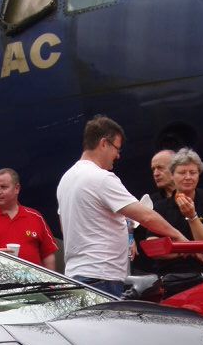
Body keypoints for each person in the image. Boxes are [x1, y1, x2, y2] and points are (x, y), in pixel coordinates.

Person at [56, 115, 189, 296]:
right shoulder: (101, 178)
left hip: (76, 275)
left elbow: (66, 227)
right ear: (104, 143)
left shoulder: (66, 179)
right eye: (117, 148)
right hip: (102, 278)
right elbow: (146, 216)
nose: (118, 155)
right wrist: (180, 237)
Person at [136, 147, 203, 286]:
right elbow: (154, 247)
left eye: (193, 172)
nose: (188, 177)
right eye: (182, 172)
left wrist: (192, 217)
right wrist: (189, 250)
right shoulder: (160, 206)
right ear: (172, 175)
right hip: (169, 277)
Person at [0, 168, 58, 269]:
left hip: (34, 284)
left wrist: (51, 285)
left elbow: (48, 256)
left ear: (17, 188)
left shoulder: (35, 217)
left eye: (3, 187)